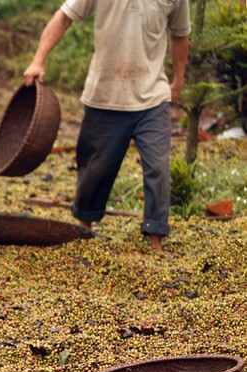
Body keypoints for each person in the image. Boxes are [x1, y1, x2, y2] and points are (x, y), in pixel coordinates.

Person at [24, 0, 190, 252]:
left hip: (152, 96)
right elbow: (64, 17)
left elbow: (180, 34)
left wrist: (178, 80)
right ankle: (84, 227)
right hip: (105, 94)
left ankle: (155, 238)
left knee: (158, 167)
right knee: (95, 169)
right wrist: (38, 60)